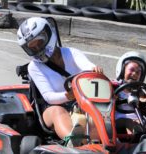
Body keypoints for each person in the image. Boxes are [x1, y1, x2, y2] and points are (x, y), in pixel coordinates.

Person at [17, 17, 103, 147]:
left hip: (81, 103)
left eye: (39, 42)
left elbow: (87, 67)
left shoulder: (71, 53)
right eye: (32, 47)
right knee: (58, 111)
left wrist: (94, 70)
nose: (38, 49)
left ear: (48, 35)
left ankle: (101, 142)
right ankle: (74, 142)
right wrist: (67, 96)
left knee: (99, 110)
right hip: (51, 109)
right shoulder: (34, 67)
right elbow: (48, 97)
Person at [113, 51, 146, 136]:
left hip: (137, 117)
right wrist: (113, 97)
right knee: (129, 123)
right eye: (131, 70)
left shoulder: (139, 90)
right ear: (122, 70)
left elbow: (142, 100)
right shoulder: (115, 87)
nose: (135, 74)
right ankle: (136, 136)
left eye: (138, 72)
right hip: (119, 117)